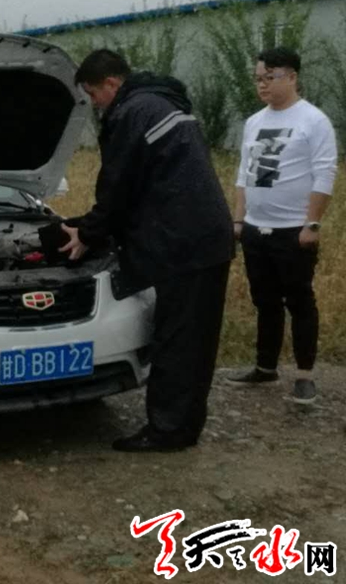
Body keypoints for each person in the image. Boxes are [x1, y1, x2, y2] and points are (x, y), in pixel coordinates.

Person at [59, 49, 234, 452]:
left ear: (111, 83)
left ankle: (167, 431)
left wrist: (87, 233)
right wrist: (91, 224)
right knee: (195, 340)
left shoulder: (132, 112)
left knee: (176, 340)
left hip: (183, 243)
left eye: (93, 94)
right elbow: (147, 185)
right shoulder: (161, 104)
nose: (95, 105)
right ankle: (183, 427)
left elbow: (118, 186)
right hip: (204, 238)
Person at [227, 47, 338, 404]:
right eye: (258, 78)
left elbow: (324, 173)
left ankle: (304, 375)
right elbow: (245, 174)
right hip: (255, 229)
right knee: (265, 301)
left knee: (300, 301)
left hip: (294, 231)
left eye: (269, 77)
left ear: (291, 77)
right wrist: (239, 220)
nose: (262, 85)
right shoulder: (254, 122)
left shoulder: (313, 120)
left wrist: (312, 224)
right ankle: (265, 367)